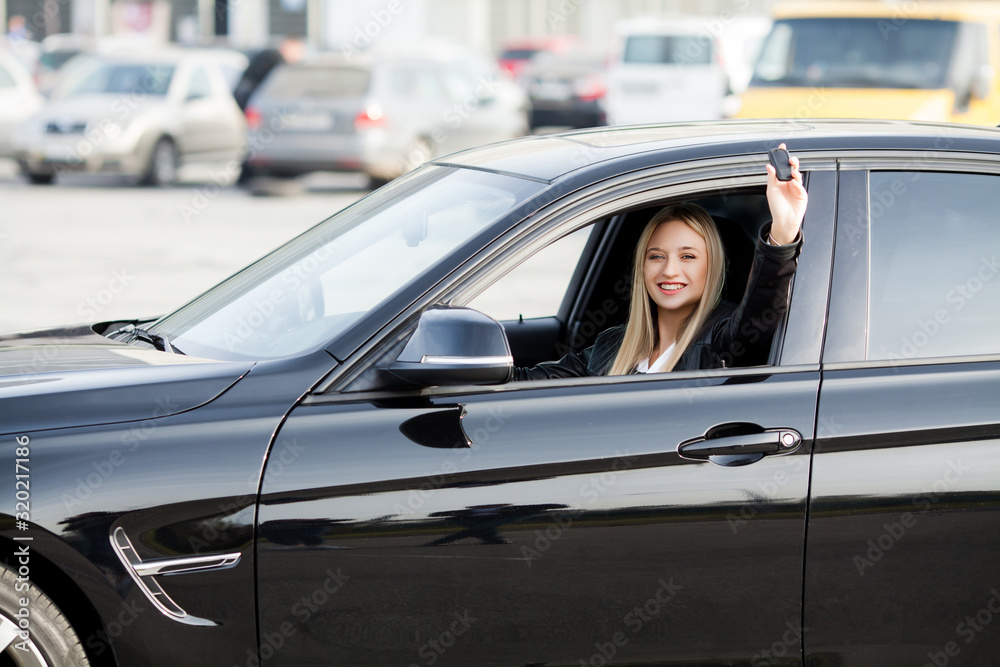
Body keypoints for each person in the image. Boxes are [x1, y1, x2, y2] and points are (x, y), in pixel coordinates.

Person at [512, 144, 808, 380]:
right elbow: (529, 385)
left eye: (688, 256)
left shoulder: (721, 340)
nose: (669, 270)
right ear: (642, 267)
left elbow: (761, 309)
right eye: (656, 256)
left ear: (712, 266)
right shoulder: (612, 346)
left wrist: (782, 232)